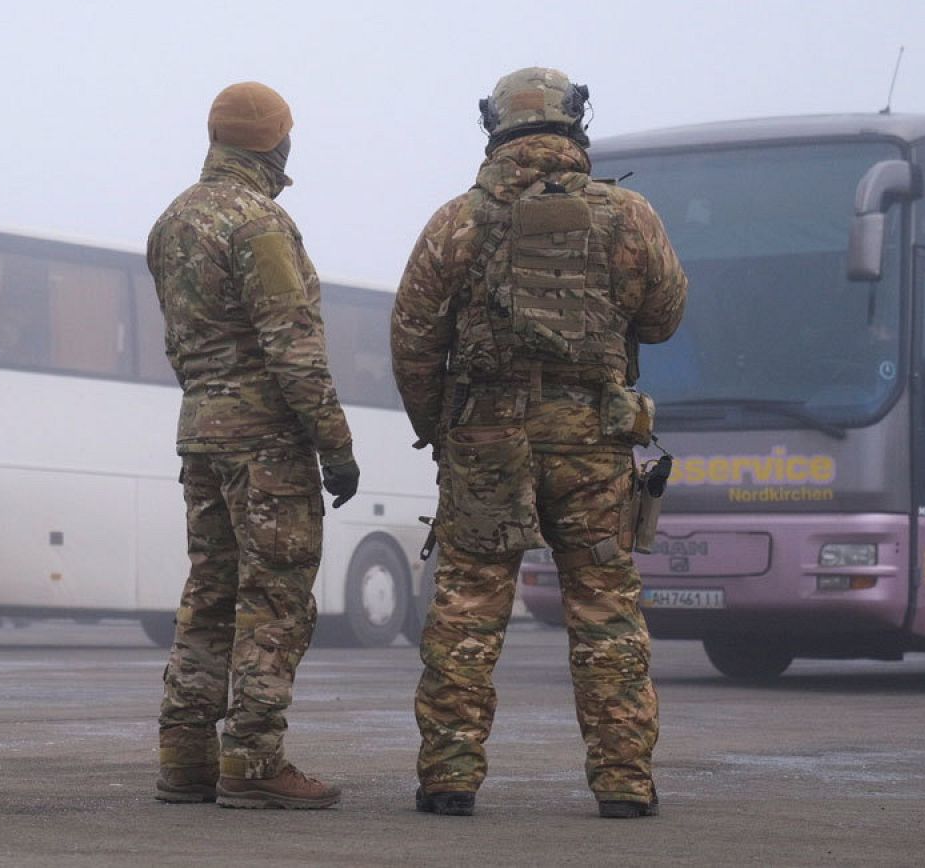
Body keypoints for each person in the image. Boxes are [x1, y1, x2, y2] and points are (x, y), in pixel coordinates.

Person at [390, 67, 687, 819]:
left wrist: (440, 430)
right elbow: (664, 316)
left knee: (467, 609)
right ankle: (622, 782)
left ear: (495, 127)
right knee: (604, 610)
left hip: (487, 443)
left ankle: (450, 778)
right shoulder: (629, 215)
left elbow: (414, 341)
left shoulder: (457, 221)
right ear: (574, 124)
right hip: (593, 443)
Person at [148, 81, 359, 810]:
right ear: (274, 141)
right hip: (264, 443)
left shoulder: (173, 221)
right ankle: (254, 761)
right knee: (274, 597)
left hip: (201, 432)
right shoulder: (259, 224)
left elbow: (184, 342)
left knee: (210, 591)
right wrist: (335, 444)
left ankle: (184, 757)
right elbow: (292, 346)